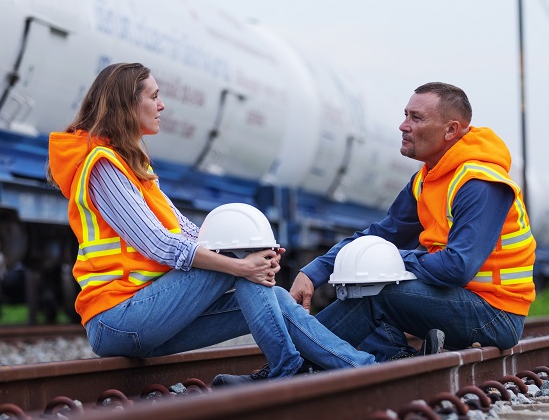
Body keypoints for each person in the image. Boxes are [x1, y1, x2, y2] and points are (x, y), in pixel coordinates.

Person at [46, 62, 375, 386]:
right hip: (118, 319)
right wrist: (240, 263)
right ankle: (288, 365)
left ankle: (357, 367)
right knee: (238, 262)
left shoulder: (132, 165)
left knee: (271, 294)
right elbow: (159, 244)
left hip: (149, 311)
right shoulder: (103, 167)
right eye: (154, 96)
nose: (162, 105)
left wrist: (254, 254)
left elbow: (188, 231)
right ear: (128, 104)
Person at [290, 82, 536, 360]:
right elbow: (381, 235)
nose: (403, 126)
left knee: (375, 291)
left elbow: (458, 267)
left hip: (495, 314)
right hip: (458, 298)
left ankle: (292, 366)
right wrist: (314, 271)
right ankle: (394, 359)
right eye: (406, 115)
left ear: (451, 130)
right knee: (365, 282)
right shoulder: (428, 178)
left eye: (416, 118)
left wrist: (382, 262)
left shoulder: (480, 183)